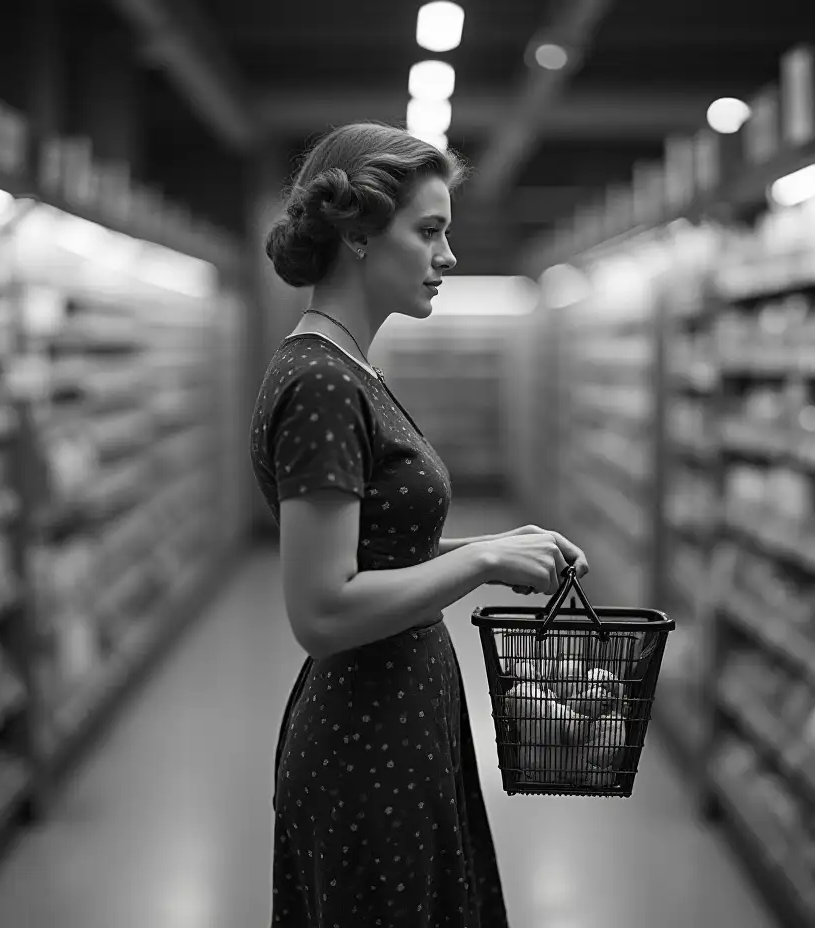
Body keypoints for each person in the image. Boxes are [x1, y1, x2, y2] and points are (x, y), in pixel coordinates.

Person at [248, 122, 589, 927]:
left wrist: (492, 548)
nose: (449, 255)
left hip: (401, 719)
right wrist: (473, 570)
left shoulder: (348, 367)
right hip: (368, 746)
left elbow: (376, 554)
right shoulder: (324, 384)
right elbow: (323, 613)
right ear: (359, 233)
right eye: (429, 231)